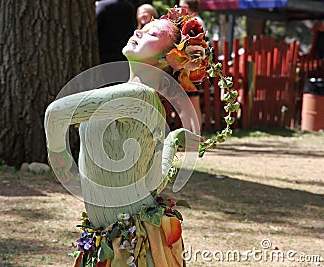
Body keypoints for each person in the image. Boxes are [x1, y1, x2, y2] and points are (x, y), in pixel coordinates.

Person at [45, 7, 211, 266]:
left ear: (170, 59)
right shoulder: (148, 101)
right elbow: (154, 182)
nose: (138, 31)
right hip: (114, 240)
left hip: (133, 245)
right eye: (141, 29)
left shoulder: (138, 96)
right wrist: (173, 140)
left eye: (151, 33)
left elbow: (55, 113)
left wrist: (60, 162)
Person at [179, 0, 206, 132]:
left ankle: (195, 134)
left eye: (182, 6)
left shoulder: (196, 21)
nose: (179, 8)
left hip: (193, 66)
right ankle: (189, 134)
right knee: (185, 104)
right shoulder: (188, 20)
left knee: (193, 102)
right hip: (185, 66)